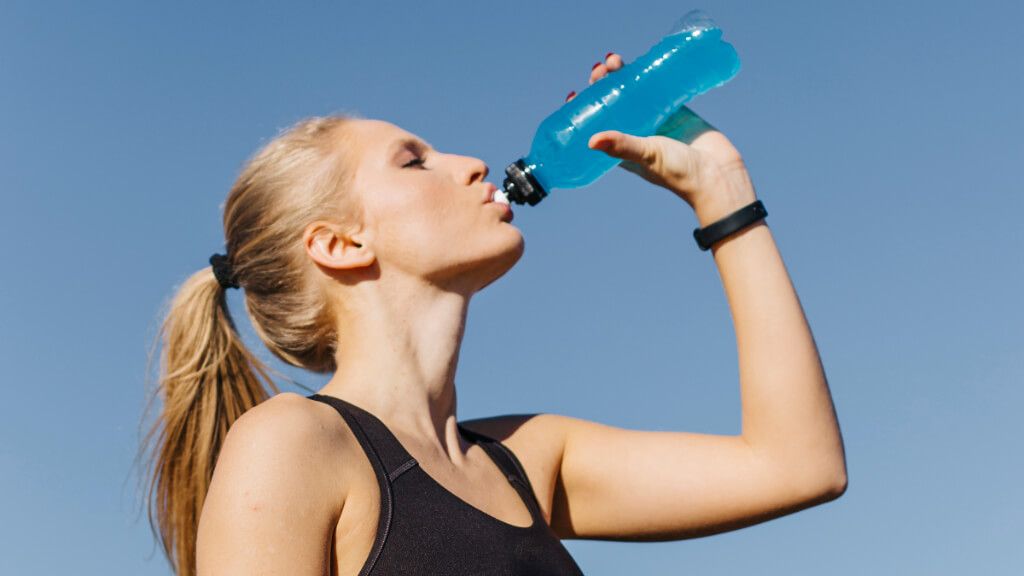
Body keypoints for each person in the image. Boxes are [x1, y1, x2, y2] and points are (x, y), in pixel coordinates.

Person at [140, 52, 847, 576]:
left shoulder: (527, 460)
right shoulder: (292, 445)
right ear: (340, 243)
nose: (472, 163)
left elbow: (799, 466)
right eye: (414, 161)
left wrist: (722, 190)